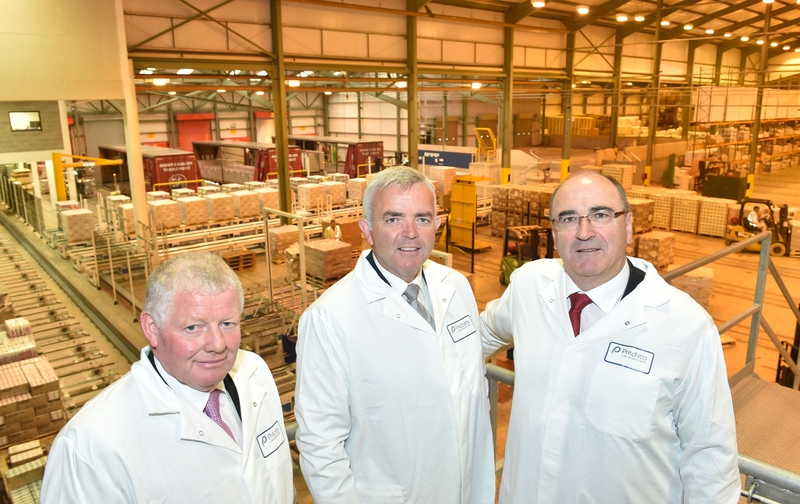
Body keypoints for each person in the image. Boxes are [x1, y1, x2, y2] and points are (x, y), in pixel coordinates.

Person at [481, 172, 739, 503]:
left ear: (628, 225)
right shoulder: (529, 286)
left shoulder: (686, 326)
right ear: (555, 233)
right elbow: (480, 334)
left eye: (601, 215)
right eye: (568, 219)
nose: (584, 232)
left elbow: (711, 458)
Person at [295, 166, 495, 503]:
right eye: (393, 219)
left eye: (422, 218)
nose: (410, 233)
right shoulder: (330, 318)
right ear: (367, 230)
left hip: (467, 489)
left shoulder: (455, 286)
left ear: (437, 225)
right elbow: (320, 444)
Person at [41, 252, 294, 504]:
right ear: (152, 328)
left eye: (227, 324)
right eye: (193, 327)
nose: (217, 344)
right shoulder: (89, 446)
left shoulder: (255, 372)